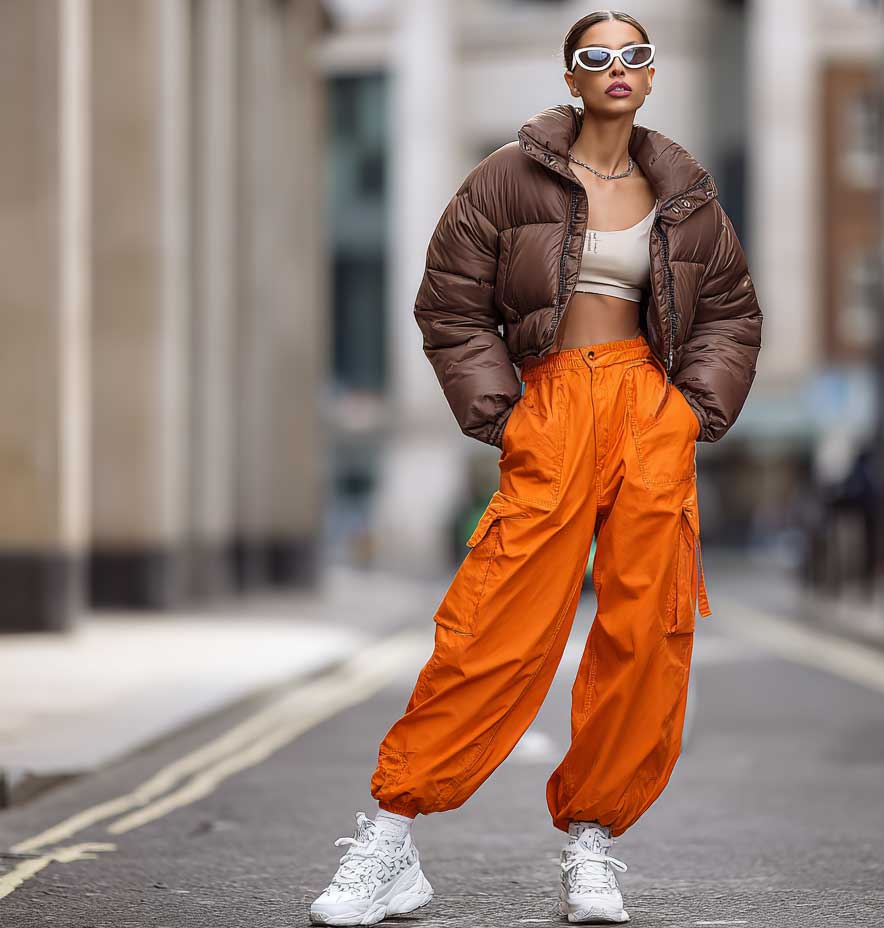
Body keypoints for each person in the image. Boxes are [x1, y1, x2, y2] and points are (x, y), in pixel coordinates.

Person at [310, 9, 762, 926]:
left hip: (649, 412)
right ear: (570, 77)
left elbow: (730, 316)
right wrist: (503, 415)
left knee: (643, 634)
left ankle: (592, 845)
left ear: (651, 73)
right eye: (598, 56)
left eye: (635, 53)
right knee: (493, 625)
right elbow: (450, 302)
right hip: (549, 410)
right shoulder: (506, 179)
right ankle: (392, 838)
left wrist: (688, 413)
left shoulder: (686, 192)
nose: (618, 68)